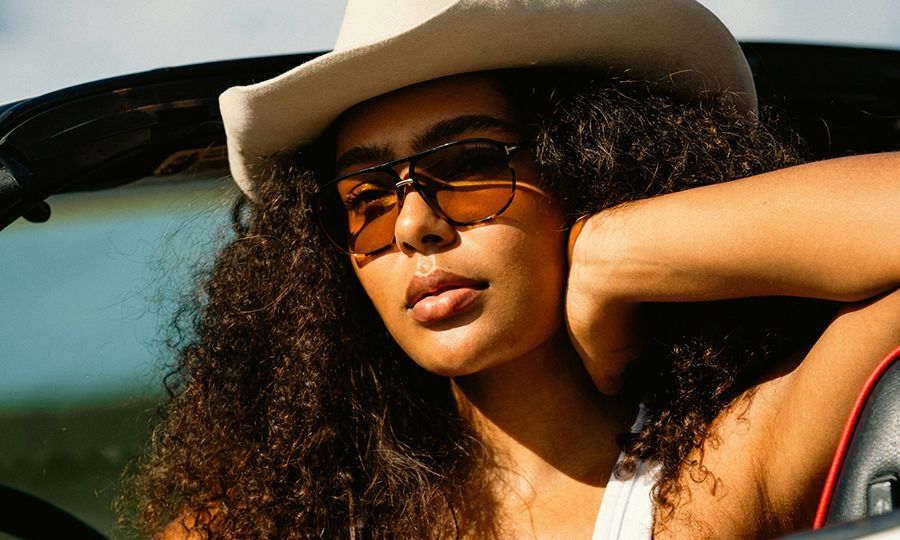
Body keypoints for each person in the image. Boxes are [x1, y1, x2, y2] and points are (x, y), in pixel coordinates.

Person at [126, 1, 900, 538]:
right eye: (366, 199)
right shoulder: (281, 518)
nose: (413, 225)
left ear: (590, 167)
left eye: (468, 165)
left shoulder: (724, 463)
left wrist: (622, 245)